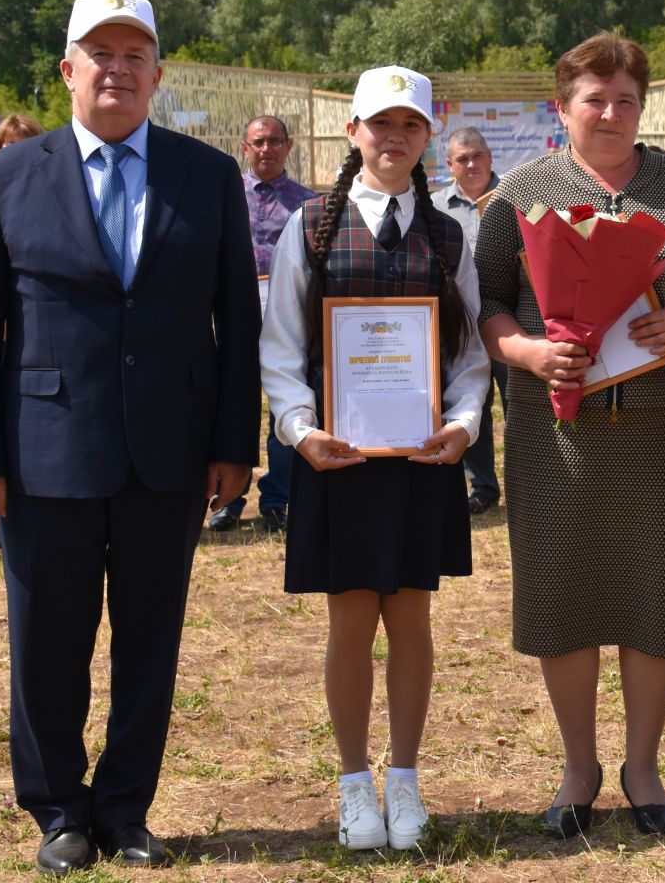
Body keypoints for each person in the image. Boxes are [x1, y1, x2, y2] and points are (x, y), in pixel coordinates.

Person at [0, 0, 261, 876]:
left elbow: (235, 319)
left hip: (170, 454)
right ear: (68, 70)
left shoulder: (206, 176)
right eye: (101, 53)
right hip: (44, 454)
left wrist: (235, 445)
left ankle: (125, 809)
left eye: (135, 55)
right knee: (45, 643)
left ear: (157, 73)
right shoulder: (7, 177)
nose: (117, 69)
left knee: (149, 641)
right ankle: (58, 812)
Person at [474, 34, 665, 837]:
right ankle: (579, 767)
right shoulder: (520, 193)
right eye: (595, 98)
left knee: (655, 595)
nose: (612, 113)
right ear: (563, 108)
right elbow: (485, 306)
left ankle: (644, 766)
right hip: (560, 437)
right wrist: (525, 350)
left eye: (626, 99)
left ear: (643, 106)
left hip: (660, 433)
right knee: (565, 595)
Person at [259, 67, 490, 849]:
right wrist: (297, 429)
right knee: (351, 619)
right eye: (380, 125)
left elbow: (468, 356)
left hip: (421, 460)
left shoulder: (449, 232)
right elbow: (282, 344)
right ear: (352, 132)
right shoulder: (312, 224)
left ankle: (406, 779)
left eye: (411, 126)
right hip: (339, 459)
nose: (394, 139)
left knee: (414, 620)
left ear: (428, 136)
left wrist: (462, 425)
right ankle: (355, 783)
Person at [210, 115, 319, 534]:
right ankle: (229, 498)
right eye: (258, 142)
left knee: (286, 403)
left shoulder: (308, 203)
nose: (266, 149)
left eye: (275, 141)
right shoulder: (224, 195)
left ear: (288, 146)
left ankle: (277, 498)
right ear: (244, 147)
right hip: (234, 309)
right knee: (234, 405)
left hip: (288, 309)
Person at [440, 126, 506, 515]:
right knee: (471, 407)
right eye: (462, 159)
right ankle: (482, 487)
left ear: (490, 157)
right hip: (460, 328)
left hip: (509, 323)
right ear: (450, 165)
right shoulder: (433, 208)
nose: (470, 165)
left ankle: (528, 482)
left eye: (477, 156)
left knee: (520, 406)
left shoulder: (514, 198)